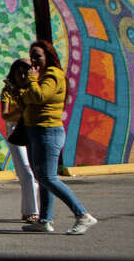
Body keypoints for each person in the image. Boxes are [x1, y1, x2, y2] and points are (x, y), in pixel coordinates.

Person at [20, 39, 98, 235]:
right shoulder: (42, 76)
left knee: (48, 177)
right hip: (36, 131)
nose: (34, 60)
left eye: (37, 56)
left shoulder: (53, 75)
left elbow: (38, 97)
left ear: (48, 56)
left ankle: (82, 215)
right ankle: (44, 220)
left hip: (48, 132)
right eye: (32, 56)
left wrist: (31, 81)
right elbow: (28, 98)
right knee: (43, 177)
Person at [0, 59, 38, 223]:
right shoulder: (8, 91)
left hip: (34, 129)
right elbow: (5, 115)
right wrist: (21, 112)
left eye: (25, 72)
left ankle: (28, 210)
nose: (22, 75)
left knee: (32, 173)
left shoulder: (34, 88)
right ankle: (33, 212)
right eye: (18, 72)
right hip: (15, 131)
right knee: (26, 171)